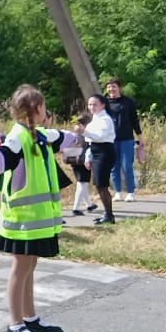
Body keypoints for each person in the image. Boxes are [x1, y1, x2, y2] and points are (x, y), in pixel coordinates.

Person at [0, 84, 77, 332]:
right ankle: (15, 325)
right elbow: (2, 155)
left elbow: (60, 137)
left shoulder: (39, 134)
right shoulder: (19, 137)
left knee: (30, 266)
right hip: (21, 219)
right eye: (43, 105)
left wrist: (79, 135)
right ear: (37, 109)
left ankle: (30, 318)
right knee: (20, 268)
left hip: (35, 220)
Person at [103, 78, 143, 201]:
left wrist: (140, 136)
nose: (111, 89)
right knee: (114, 166)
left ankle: (130, 192)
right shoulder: (104, 103)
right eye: (109, 87)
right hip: (111, 139)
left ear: (119, 88)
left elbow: (134, 120)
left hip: (126, 138)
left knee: (127, 166)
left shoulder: (128, 102)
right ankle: (117, 192)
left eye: (114, 86)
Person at [83, 94, 117, 224]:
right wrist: (88, 156)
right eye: (90, 104)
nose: (92, 107)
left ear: (102, 105)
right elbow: (91, 141)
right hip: (96, 150)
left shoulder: (105, 119)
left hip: (104, 151)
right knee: (99, 185)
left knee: (101, 185)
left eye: (95, 104)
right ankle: (107, 214)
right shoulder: (95, 118)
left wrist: (84, 131)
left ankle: (109, 214)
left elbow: (100, 136)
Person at [65, 115, 94, 216]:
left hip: (73, 161)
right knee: (82, 183)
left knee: (82, 183)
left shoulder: (73, 134)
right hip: (83, 161)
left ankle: (89, 205)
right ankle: (75, 208)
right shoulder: (86, 135)